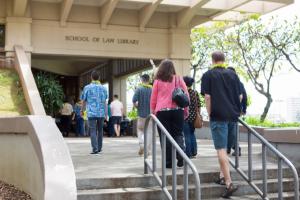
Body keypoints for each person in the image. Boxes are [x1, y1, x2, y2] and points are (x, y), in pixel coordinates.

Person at [201, 51, 241, 198]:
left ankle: (229, 183)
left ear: (213, 60)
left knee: (221, 150)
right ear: (224, 60)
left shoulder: (208, 75)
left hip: (218, 116)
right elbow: (240, 95)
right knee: (227, 149)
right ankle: (222, 175)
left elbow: (207, 97)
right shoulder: (233, 74)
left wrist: (210, 114)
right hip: (233, 116)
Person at [150, 59, 189, 168]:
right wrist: (185, 111)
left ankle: (169, 162)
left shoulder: (157, 81)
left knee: (165, 136)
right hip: (178, 111)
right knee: (178, 134)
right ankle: (181, 155)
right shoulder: (178, 79)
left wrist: (153, 113)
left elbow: (153, 99)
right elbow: (186, 96)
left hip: (162, 112)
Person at [81, 70, 108, 154]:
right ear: (99, 77)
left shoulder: (87, 87)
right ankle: (99, 148)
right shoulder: (103, 88)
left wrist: (82, 110)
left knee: (92, 130)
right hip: (101, 112)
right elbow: (105, 102)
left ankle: (95, 149)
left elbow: (84, 101)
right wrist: (106, 113)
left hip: (91, 112)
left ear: (91, 77)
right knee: (100, 130)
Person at [227, 67, 248, 156]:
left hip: (231, 111)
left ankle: (231, 148)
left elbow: (243, 96)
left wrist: (243, 109)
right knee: (231, 131)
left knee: (231, 131)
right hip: (232, 111)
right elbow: (244, 97)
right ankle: (232, 148)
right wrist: (243, 109)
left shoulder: (236, 84)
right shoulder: (239, 84)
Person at [132, 74, 152, 156]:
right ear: (149, 80)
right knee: (149, 132)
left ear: (142, 80)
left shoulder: (139, 89)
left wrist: (137, 106)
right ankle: (148, 150)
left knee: (140, 130)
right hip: (151, 115)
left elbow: (134, 100)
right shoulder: (153, 89)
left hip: (141, 114)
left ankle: (141, 144)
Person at [183, 76, 201, 158]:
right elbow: (199, 105)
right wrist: (198, 115)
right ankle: (194, 152)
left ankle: (188, 153)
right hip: (194, 117)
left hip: (185, 116)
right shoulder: (195, 92)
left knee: (186, 135)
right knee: (192, 134)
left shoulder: (183, 92)